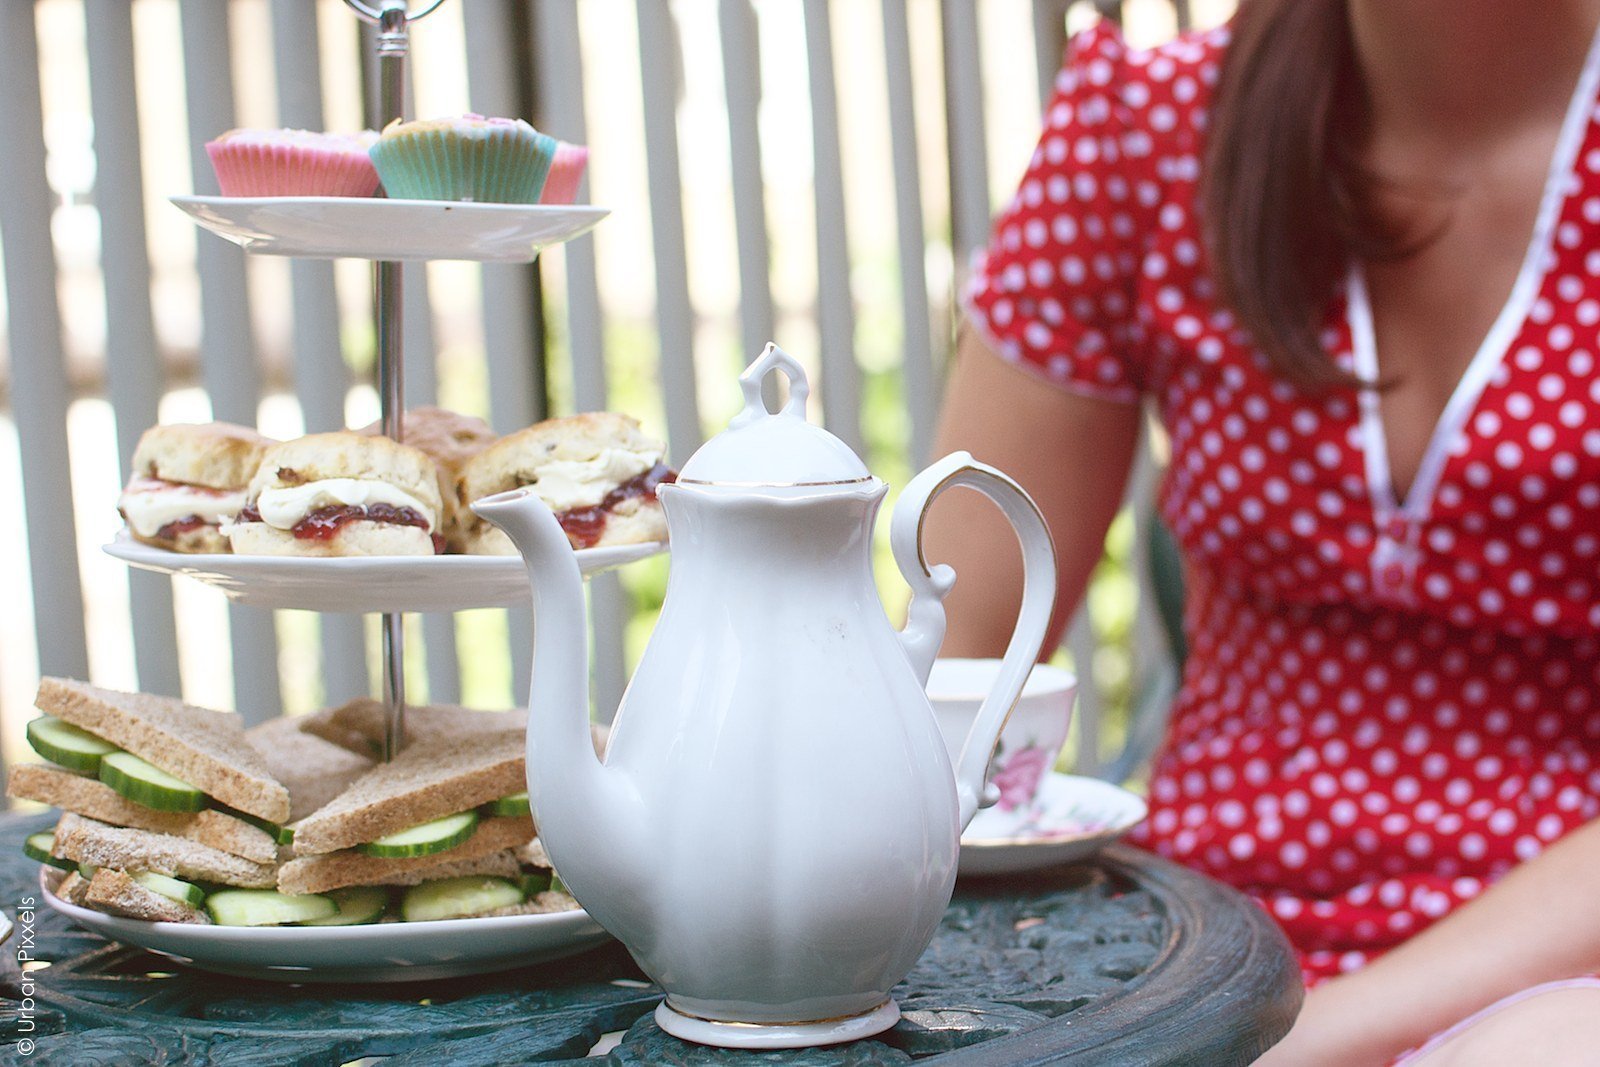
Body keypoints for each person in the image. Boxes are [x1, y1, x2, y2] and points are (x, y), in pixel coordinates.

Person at [925, 0, 1600, 1062]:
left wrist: (1296, 1042)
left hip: (1552, 967)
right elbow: (953, 662)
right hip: (1192, 944)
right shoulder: (1149, 133)